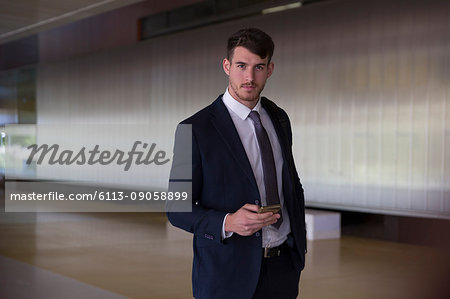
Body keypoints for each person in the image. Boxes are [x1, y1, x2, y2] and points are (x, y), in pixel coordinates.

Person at [167, 28, 306, 299]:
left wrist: (298, 250)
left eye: (259, 67)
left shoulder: (279, 118)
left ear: (270, 69)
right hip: (226, 274)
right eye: (241, 66)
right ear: (227, 66)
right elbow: (176, 208)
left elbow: (290, 181)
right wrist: (228, 222)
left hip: (283, 268)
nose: (249, 77)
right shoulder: (192, 129)